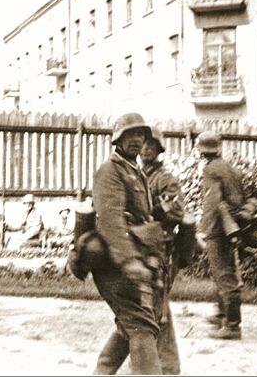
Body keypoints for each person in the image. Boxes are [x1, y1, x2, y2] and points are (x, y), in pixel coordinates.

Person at [90, 112, 167, 375]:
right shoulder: (110, 170)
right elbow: (110, 220)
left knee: (131, 324)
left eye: (140, 135)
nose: (136, 140)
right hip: (113, 262)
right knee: (141, 324)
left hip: (135, 258)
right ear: (118, 139)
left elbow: (142, 216)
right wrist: (130, 261)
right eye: (129, 134)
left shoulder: (135, 172)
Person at [138, 126, 187, 374]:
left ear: (159, 150)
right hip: (140, 247)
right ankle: (149, 362)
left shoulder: (165, 179)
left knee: (159, 306)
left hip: (161, 249)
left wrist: (153, 211)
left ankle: (168, 366)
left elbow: (177, 211)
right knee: (143, 305)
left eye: (151, 146)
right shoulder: (137, 175)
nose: (146, 149)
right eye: (143, 144)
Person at [196, 130, 245, 340]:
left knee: (223, 274)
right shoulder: (227, 167)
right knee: (223, 272)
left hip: (219, 227)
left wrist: (203, 229)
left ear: (201, 151)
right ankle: (222, 314)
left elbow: (212, 202)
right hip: (231, 225)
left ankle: (232, 325)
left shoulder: (211, 170)